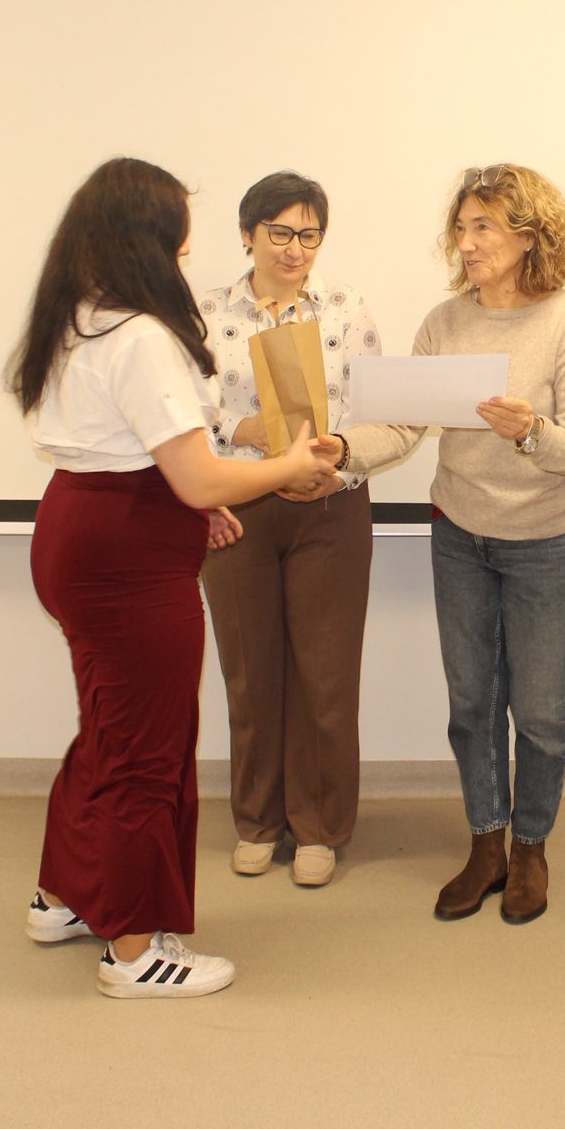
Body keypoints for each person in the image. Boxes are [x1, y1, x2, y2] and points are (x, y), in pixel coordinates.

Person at [8, 157, 333, 999]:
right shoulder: (143, 336)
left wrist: (191, 505)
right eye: (179, 245)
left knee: (108, 732)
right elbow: (196, 473)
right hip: (126, 559)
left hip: (83, 530)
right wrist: (287, 464)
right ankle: (134, 950)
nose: (185, 258)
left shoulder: (80, 316)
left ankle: (64, 895)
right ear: (145, 242)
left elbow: (138, 457)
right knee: (146, 754)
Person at [336, 164, 565, 926]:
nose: (466, 242)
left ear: (529, 235)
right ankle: (487, 845)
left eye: (483, 226)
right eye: (461, 227)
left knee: (541, 713)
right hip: (460, 536)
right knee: (472, 706)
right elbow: (401, 427)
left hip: (546, 542)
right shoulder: (445, 323)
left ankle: (531, 849)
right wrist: (340, 450)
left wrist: (532, 432)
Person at [197, 171, 383, 889]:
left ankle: (319, 827)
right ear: (248, 234)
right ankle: (257, 821)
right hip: (238, 505)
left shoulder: (346, 307)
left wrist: (336, 460)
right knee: (250, 671)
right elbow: (184, 409)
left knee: (325, 675)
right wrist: (243, 430)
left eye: (309, 234)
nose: (294, 248)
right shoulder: (207, 313)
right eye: (280, 232)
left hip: (330, 505)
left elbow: (374, 407)